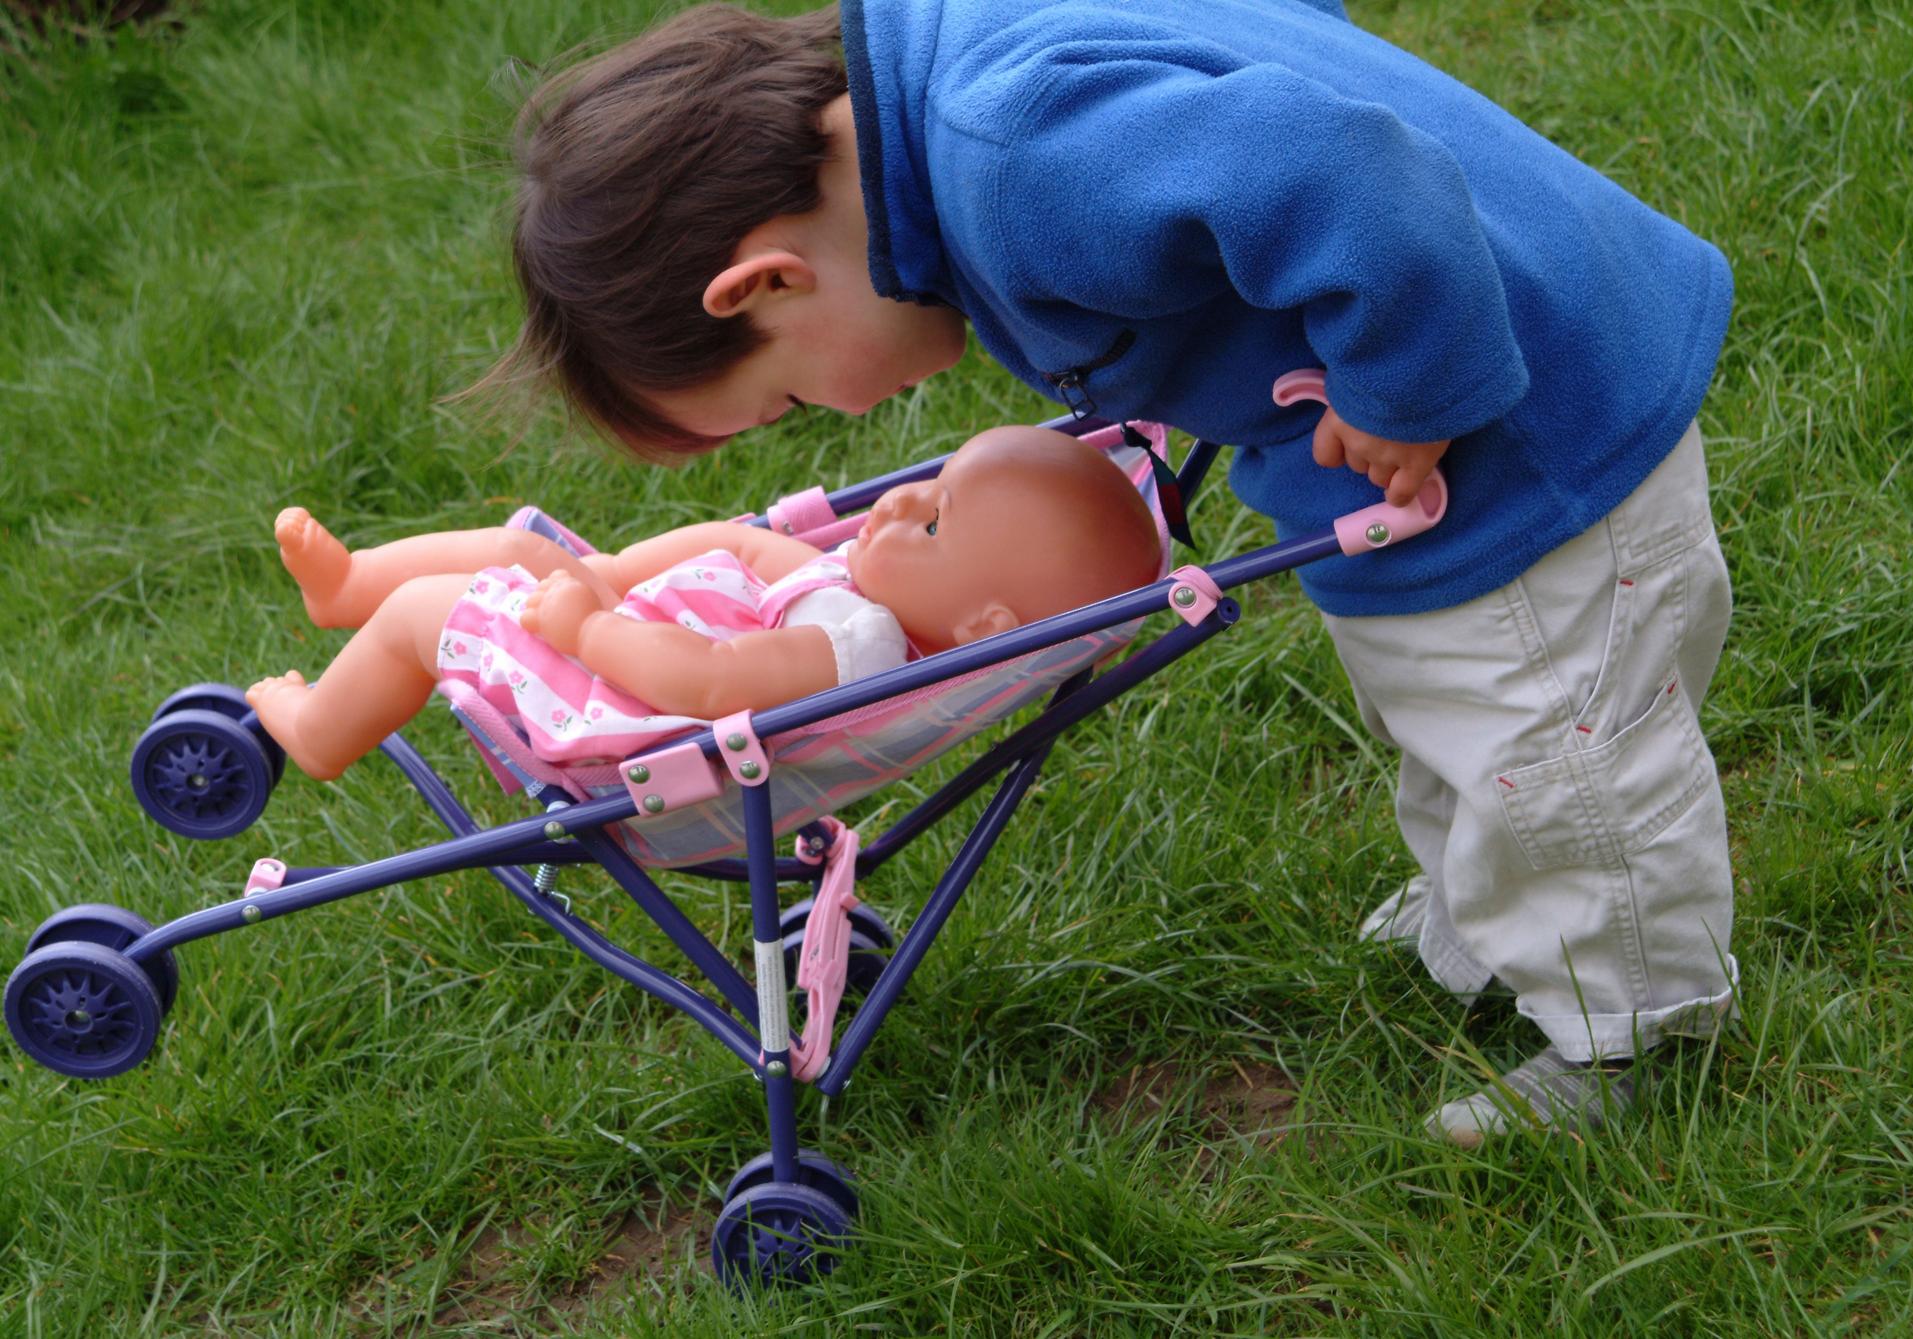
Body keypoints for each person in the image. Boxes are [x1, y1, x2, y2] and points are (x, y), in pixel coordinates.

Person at [476, 1, 1738, 1145]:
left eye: (791, 393)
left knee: (1547, 736)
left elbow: (1342, 163)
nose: (837, 415)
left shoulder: (1015, 158)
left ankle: (1629, 1032)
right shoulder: (956, 67)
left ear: (764, 281)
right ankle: (1495, 906)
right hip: (1438, 429)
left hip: (1521, 435)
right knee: (1446, 703)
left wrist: (1406, 382)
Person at [246, 425, 1161, 782]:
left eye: (932, 524)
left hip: (621, 713)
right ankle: (347, 585)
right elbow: (744, 545)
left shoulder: (855, 652)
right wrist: (617, 575)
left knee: (427, 614)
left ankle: (319, 732)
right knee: (522, 547)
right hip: (630, 633)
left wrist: (590, 623)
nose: (903, 501)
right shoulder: (865, 598)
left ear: (984, 630)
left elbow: (709, 680)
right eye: (935, 482)